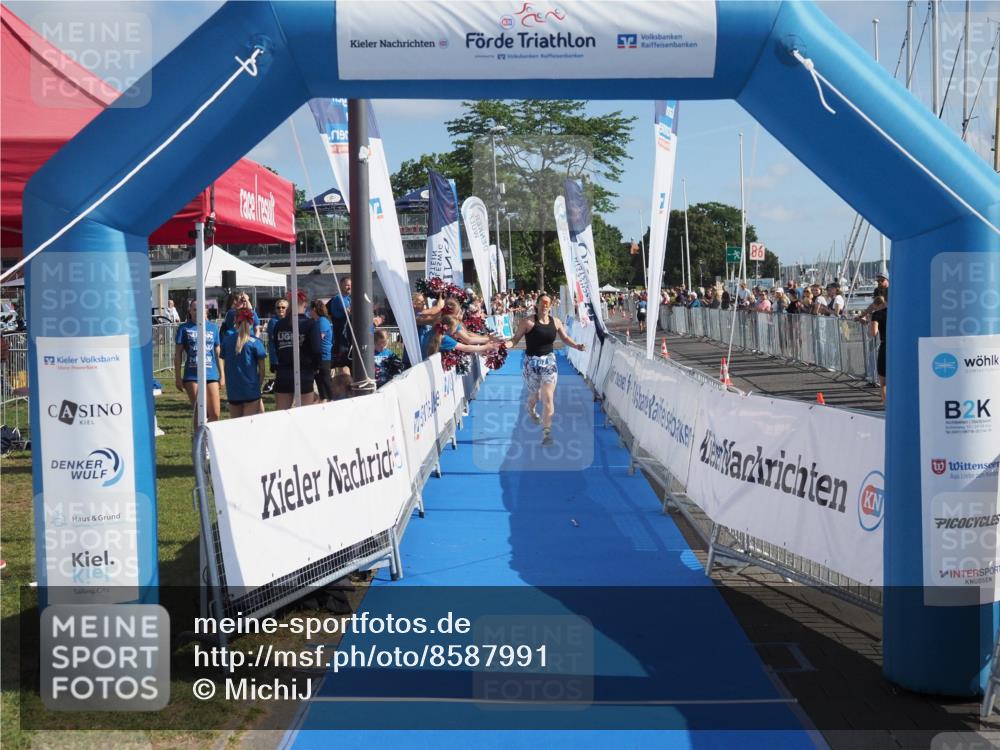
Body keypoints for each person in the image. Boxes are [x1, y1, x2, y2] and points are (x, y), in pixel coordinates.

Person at [508, 293, 586, 446]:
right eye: (542, 303)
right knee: (535, 397)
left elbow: (564, 338)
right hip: (531, 364)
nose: (545, 306)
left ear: (550, 306)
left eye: (547, 303)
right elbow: (515, 339)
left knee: (548, 396)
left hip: (549, 362)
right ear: (536, 305)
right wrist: (505, 345)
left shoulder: (556, 322)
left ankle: (547, 433)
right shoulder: (528, 322)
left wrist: (577, 345)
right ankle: (530, 410)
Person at [174, 300, 223, 430]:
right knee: (201, 411)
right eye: (194, 309)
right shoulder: (184, 328)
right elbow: (178, 354)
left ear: (206, 311)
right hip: (192, 374)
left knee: (215, 413)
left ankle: (209, 442)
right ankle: (198, 444)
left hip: (211, 373)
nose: (197, 312)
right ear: (190, 311)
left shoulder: (213, 328)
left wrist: (222, 375)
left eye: (200, 309)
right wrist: (178, 377)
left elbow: (218, 352)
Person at [273, 291, 322, 409]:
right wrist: (316, 367)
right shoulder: (310, 324)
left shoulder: (279, 324)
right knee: (305, 415)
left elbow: (277, 347)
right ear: (305, 304)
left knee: (282, 414)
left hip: (284, 372)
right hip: (304, 372)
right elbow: (316, 349)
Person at [219, 306, 266, 418]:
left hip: (233, 389)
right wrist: (258, 384)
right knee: (248, 426)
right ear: (251, 322)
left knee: (236, 426)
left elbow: (222, 358)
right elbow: (262, 369)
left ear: (235, 321)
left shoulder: (227, 340)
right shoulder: (256, 342)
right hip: (251, 389)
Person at [311, 299, 335, 402]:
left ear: (314, 309)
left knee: (325, 380)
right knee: (319, 380)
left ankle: (332, 399)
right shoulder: (317, 321)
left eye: (310, 309)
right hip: (318, 355)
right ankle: (324, 399)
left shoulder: (322, 321)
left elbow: (319, 338)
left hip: (323, 355)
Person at [328, 276, 352, 374]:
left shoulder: (349, 299)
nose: (349, 287)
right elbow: (349, 312)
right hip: (340, 338)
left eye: (350, 285)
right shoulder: (339, 298)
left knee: (347, 364)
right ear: (341, 286)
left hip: (347, 338)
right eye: (347, 285)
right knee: (343, 366)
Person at [869, 289, 888, 404]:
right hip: (898, 346)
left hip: (885, 345)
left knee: (883, 381)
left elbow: (873, 333)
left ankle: (887, 404)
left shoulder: (877, 314)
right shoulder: (898, 312)